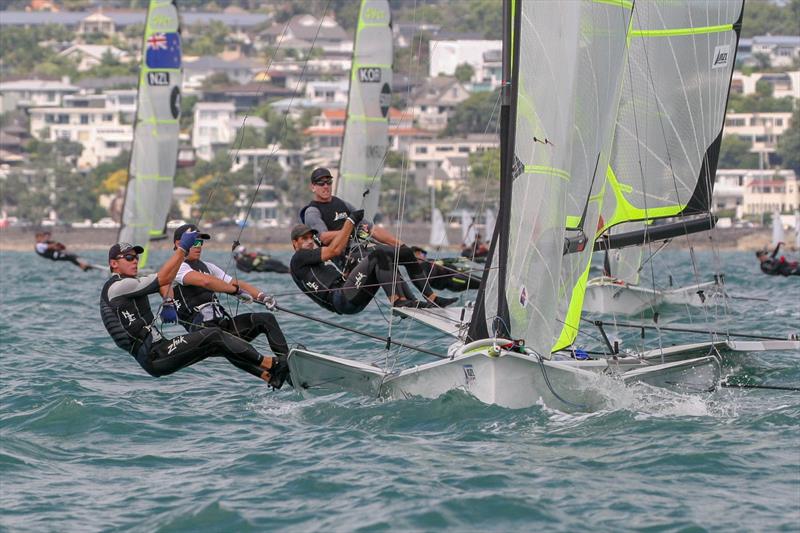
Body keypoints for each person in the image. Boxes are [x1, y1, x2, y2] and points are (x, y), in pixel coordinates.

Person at [99, 231, 290, 388]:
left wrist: (168, 303)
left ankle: (269, 375)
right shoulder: (117, 287)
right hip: (154, 356)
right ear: (113, 264)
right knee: (214, 335)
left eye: (136, 257)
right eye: (129, 257)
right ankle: (273, 364)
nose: (135, 261)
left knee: (219, 339)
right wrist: (182, 249)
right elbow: (163, 279)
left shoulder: (132, 283)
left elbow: (160, 283)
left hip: (161, 348)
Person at [299, 167, 457, 307]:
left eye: (328, 181)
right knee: (381, 255)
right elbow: (324, 238)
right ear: (313, 187)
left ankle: (431, 298)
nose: (326, 186)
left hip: (365, 249)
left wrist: (400, 244)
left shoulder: (343, 204)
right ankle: (397, 300)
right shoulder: (312, 212)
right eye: (321, 183)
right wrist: (349, 228)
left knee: (405, 253)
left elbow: (372, 230)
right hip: (348, 258)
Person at [171, 224, 291, 365]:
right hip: (204, 335)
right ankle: (270, 366)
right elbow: (206, 282)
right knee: (217, 334)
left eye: (201, 242)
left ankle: (287, 364)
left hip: (222, 326)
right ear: (179, 243)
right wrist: (236, 292)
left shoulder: (208, 266)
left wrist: (262, 297)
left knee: (266, 319)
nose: (198, 246)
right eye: (194, 241)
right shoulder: (176, 267)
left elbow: (235, 282)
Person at [290, 219, 434, 314]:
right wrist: (351, 221)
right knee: (378, 254)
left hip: (350, 300)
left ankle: (410, 301)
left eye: (310, 237)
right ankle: (398, 301)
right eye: (304, 238)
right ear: (295, 243)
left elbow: (323, 281)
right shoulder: (298, 257)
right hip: (341, 298)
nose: (309, 241)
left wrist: (348, 274)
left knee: (384, 260)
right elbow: (334, 250)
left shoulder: (310, 261)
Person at [411, 246, 481, 292]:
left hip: (457, 275)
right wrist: (435, 267)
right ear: (415, 256)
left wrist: (458, 260)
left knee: (482, 282)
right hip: (454, 281)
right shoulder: (421, 267)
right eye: (420, 254)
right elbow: (427, 280)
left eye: (423, 254)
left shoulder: (428, 261)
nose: (423, 256)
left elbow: (443, 261)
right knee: (481, 284)